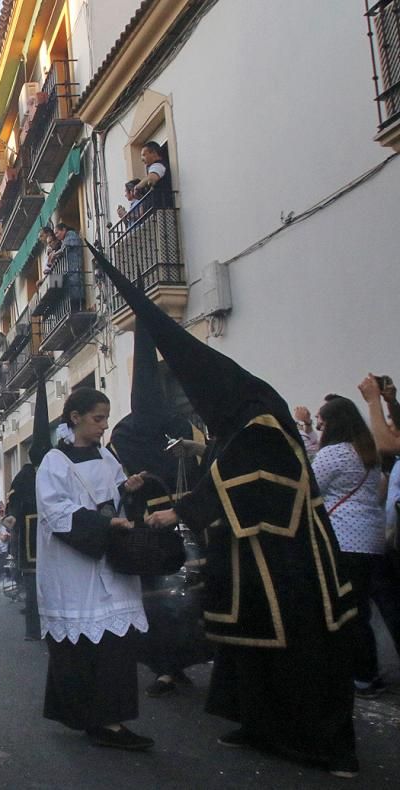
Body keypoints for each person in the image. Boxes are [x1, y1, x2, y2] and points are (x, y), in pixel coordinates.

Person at [89, 243, 359, 778]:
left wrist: (180, 509)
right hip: (248, 562)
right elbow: (227, 471)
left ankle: (325, 744)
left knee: (297, 654)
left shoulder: (260, 424)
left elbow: (262, 485)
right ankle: (258, 724)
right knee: (245, 649)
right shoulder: (237, 427)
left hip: (290, 563)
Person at [37, 387, 152, 750]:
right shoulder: (54, 462)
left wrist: (130, 491)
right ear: (76, 417)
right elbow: (55, 511)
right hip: (74, 567)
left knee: (115, 645)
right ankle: (93, 719)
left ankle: (109, 720)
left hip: (110, 564)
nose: (104, 426)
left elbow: (118, 503)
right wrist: (104, 526)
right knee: (81, 646)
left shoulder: (108, 458)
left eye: (105, 418)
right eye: (98, 418)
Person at [108, 320, 208, 698]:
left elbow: (119, 481)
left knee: (162, 599)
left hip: (150, 525)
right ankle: (174, 664)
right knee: (181, 595)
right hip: (182, 523)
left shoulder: (121, 433)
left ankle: (168, 666)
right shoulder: (179, 423)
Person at [312, 397, 392, 698]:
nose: (319, 424)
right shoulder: (366, 450)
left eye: (322, 419)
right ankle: (367, 671)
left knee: (347, 610)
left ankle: (361, 675)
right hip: (371, 539)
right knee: (362, 609)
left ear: (332, 422)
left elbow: (310, 489)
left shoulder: (333, 454)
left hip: (343, 539)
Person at [6, 374, 52, 641]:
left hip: (53, 539)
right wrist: (12, 517)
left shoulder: (59, 471)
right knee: (33, 587)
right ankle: (34, 629)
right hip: (30, 542)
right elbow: (13, 504)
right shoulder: (24, 475)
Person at [54, 223, 85, 311]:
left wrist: (54, 255)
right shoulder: (65, 239)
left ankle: (78, 307)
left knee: (75, 293)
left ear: (64, 229)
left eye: (57, 233)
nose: (56, 236)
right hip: (72, 273)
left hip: (75, 271)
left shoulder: (71, 235)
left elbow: (65, 248)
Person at [134, 141, 172, 209]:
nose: (142, 159)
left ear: (154, 153)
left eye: (144, 155)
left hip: (161, 210)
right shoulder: (157, 166)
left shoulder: (158, 165)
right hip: (159, 211)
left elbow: (152, 178)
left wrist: (137, 187)